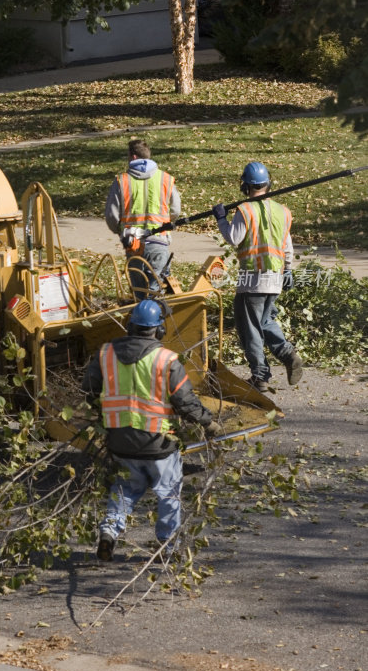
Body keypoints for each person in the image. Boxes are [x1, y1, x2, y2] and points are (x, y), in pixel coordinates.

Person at [82, 299, 222, 562]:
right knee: (168, 493)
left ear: (129, 325)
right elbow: (185, 402)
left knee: (124, 488)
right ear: (159, 330)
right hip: (158, 443)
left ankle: (109, 533)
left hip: (120, 440)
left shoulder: (105, 354)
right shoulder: (166, 360)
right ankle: (166, 548)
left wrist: (104, 417)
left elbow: (89, 391)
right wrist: (207, 422)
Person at [212, 161, 303, 392]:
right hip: (275, 277)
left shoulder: (245, 210)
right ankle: (288, 354)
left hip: (251, 279)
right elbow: (288, 246)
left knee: (249, 327)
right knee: (265, 321)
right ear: (268, 183)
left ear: (245, 186)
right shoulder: (282, 211)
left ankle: (260, 377)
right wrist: (288, 269)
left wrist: (221, 218)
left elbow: (234, 237)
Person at [105, 138, 181, 299]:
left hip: (134, 245)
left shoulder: (122, 180)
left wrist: (121, 231)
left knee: (139, 295)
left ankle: (140, 322)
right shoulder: (165, 178)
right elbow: (176, 209)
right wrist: (165, 222)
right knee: (156, 294)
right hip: (159, 242)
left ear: (133, 157)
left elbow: (111, 216)